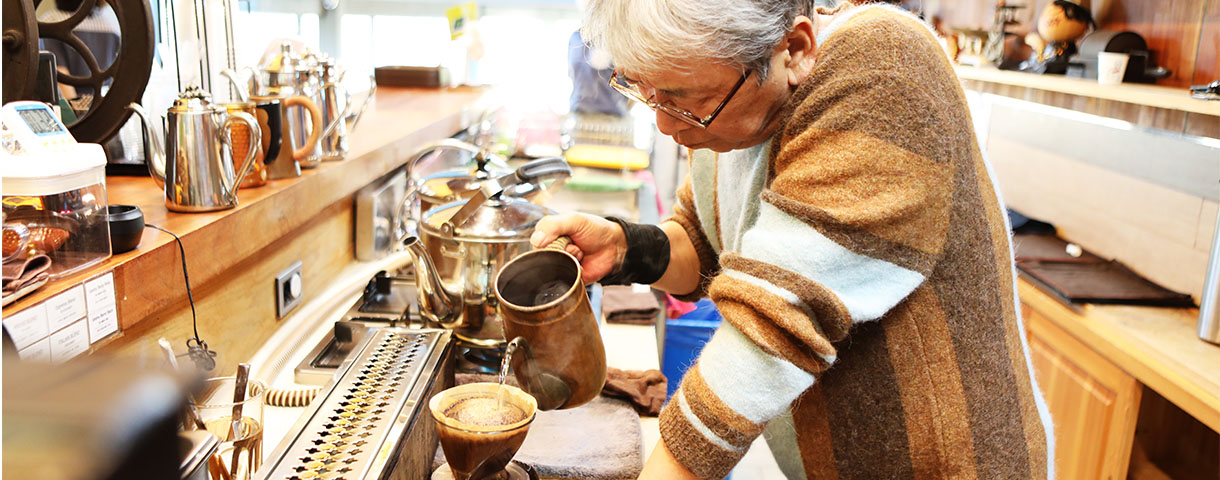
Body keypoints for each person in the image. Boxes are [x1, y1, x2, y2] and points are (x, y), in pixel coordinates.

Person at [530, 0, 1055, 478]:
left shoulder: (886, 64)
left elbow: (775, 315)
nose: (667, 125)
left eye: (684, 100)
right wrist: (628, 249)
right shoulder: (733, 102)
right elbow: (707, 246)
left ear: (796, 49)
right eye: (643, 91)